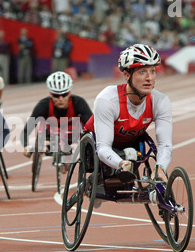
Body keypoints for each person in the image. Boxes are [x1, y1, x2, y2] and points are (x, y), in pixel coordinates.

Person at [86, 43, 172, 183]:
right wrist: (121, 164)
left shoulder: (161, 101)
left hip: (132, 144)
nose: (149, 78)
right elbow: (103, 148)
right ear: (127, 74)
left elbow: (165, 144)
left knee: (134, 154)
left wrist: (160, 167)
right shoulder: (107, 99)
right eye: (142, 72)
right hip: (99, 145)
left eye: (152, 71)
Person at [22, 71, 92, 159]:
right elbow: (26, 130)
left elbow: (92, 125)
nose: (61, 99)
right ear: (50, 95)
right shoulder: (43, 105)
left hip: (73, 132)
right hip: (52, 133)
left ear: (69, 93)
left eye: (64, 95)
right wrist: (26, 146)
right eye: (56, 95)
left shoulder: (78, 103)